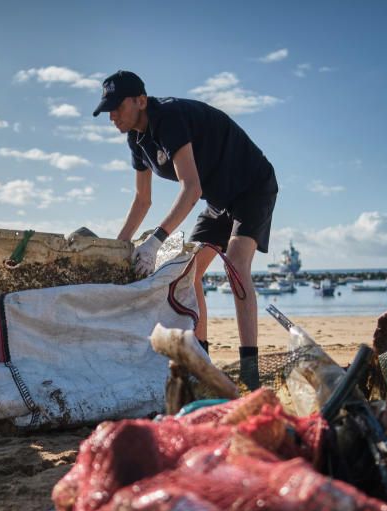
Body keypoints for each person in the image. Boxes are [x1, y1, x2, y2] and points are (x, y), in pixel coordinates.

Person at [93, 71, 278, 388]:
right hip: (217, 199)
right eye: (106, 110)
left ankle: (250, 370)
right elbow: (142, 200)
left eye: (116, 107)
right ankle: (201, 361)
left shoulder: (169, 118)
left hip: (252, 186)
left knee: (235, 263)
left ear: (140, 100)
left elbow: (190, 189)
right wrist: (117, 246)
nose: (111, 116)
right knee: (189, 273)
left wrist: (155, 242)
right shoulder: (136, 141)